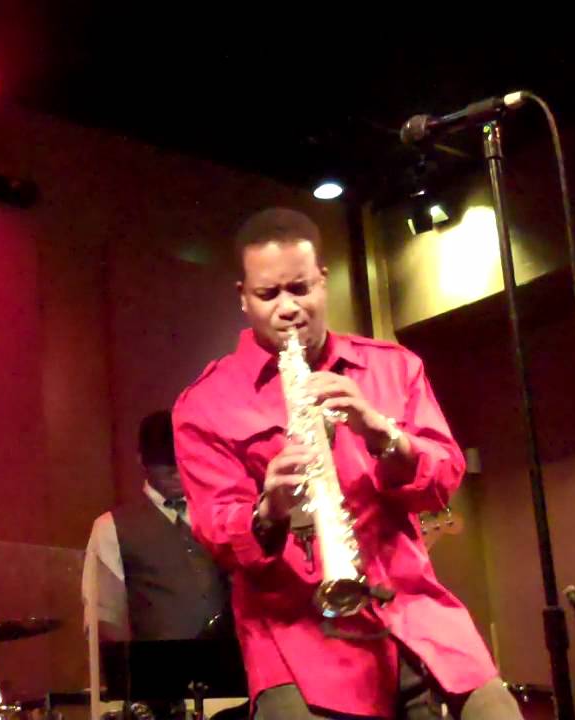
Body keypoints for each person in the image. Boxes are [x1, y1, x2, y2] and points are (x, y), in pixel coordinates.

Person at [172, 208, 521, 719]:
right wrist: (268, 509)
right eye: (269, 295)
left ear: (323, 281)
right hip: (299, 639)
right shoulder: (206, 403)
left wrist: (383, 433)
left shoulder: (392, 366)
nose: (288, 308)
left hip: (417, 615)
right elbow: (218, 534)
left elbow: (442, 480)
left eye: (301, 289)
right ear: (243, 298)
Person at [82, 410, 230, 642]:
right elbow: (105, 617)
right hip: (158, 661)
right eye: (165, 463)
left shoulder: (219, 512)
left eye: (183, 460)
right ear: (142, 460)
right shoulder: (110, 527)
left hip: (229, 655)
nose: (176, 472)